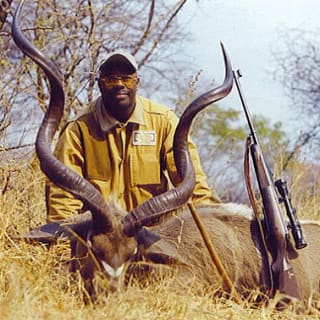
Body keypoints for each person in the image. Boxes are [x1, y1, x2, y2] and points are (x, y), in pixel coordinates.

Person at [46, 51, 220, 222]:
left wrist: (213, 223)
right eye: (111, 79)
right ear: (100, 84)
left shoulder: (164, 121)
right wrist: (63, 241)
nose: (120, 84)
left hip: (151, 233)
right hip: (103, 238)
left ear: (137, 83)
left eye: (127, 78)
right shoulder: (78, 129)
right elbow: (63, 199)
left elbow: (195, 187)